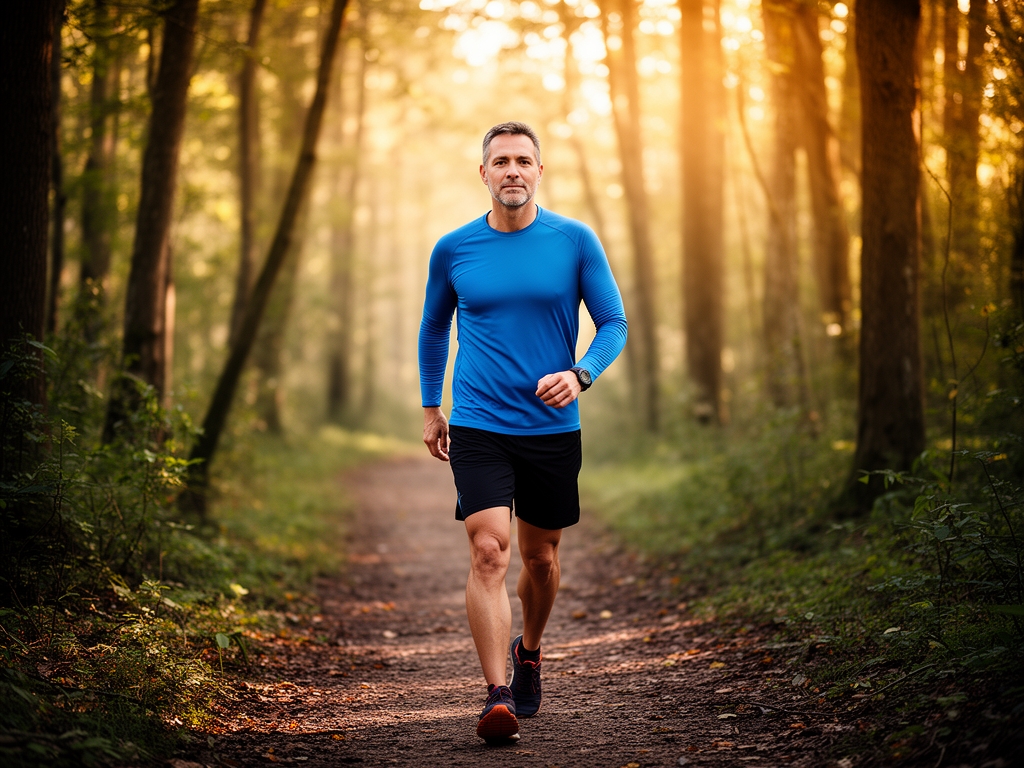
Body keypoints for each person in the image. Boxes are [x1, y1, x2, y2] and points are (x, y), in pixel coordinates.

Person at [418, 121, 627, 742]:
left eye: (523, 161)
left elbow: (613, 322)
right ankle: (496, 696)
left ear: (540, 171)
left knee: (541, 558)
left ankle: (529, 650)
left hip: (552, 427)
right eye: (501, 161)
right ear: (483, 173)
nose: (512, 170)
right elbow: (433, 330)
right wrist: (433, 407)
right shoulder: (454, 248)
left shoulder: (574, 240)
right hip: (480, 422)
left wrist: (581, 373)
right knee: (490, 551)